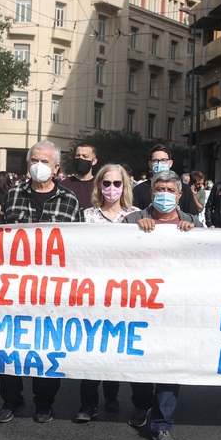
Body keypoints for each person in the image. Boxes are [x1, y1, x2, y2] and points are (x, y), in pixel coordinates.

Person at [0, 140, 84, 424]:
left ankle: (44, 403)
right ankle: (12, 400)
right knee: (9, 345)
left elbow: (82, 246)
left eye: (45, 162)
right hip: (14, 286)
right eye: (34, 160)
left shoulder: (70, 200)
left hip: (51, 290)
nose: (39, 166)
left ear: (56, 168)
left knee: (46, 346)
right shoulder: (13, 195)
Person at [123, 170, 199, 440]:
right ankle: (142, 403)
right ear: (152, 193)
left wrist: (194, 235)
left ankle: (162, 424)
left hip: (175, 307)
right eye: (160, 190)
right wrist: (134, 231)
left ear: (179, 195)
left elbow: (207, 260)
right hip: (140, 304)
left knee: (169, 364)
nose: (164, 194)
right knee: (139, 360)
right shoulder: (132, 220)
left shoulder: (193, 223)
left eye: (170, 190)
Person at [75, 163, 139, 422]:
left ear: (125, 186)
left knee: (115, 344)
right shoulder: (86, 216)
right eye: (106, 183)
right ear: (99, 185)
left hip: (124, 292)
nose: (112, 188)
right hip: (93, 291)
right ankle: (87, 403)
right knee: (91, 346)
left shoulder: (136, 216)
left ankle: (112, 394)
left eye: (117, 183)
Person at [132, 143, 198, 214]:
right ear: (150, 164)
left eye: (163, 160)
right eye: (155, 161)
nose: (160, 164)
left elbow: (190, 216)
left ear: (170, 163)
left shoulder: (184, 189)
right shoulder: (138, 190)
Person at [60, 143, 98, 210]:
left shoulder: (99, 185)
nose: (80, 158)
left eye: (85, 156)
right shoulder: (64, 185)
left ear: (94, 161)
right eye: (78, 155)